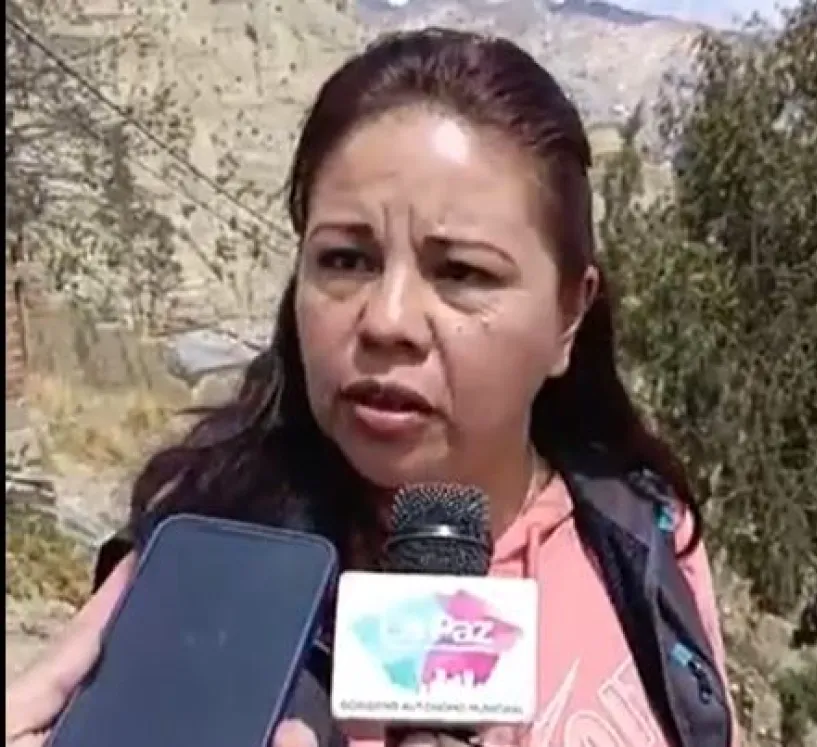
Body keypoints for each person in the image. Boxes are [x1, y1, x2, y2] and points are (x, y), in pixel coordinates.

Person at [5, 28, 736, 747]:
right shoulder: (198, 581)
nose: (387, 322)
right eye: (346, 259)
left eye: (462, 272)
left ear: (569, 313)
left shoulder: (644, 537)